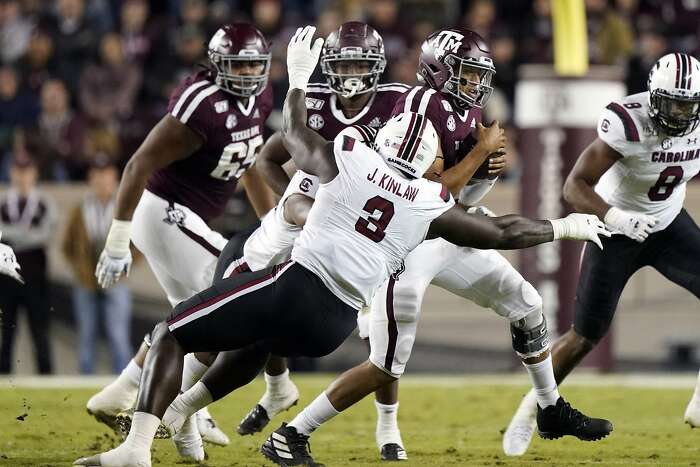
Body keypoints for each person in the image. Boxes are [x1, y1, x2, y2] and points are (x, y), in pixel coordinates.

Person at [74, 25, 612, 467]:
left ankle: (142, 446)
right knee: (266, 346)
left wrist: (297, 84)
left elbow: (302, 142)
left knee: (178, 329)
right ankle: (197, 412)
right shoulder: (427, 196)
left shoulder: (355, 151)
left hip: (302, 278)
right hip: (334, 321)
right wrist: (565, 227)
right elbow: (495, 229)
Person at [84, 22, 276, 455]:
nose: (247, 76)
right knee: (236, 296)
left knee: (189, 322)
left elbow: (251, 164)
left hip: (185, 220)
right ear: (218, 64)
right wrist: (118, 237)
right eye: (238, 68)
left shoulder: (261, 99)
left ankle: (125, 397)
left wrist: (273, 224)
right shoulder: (200, 104)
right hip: (165, 213)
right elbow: (137, 164)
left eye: (254, 68)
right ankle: (184, 412)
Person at [502, 52, 700, 456]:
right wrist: (616, 217)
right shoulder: (628, 122)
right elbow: (573, 187)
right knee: (584, 336)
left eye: (688, 105)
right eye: (672, 103)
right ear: (652, 95)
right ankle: (530, 408)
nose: (680, 114)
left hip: (667, 223)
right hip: (617, 230)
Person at [235, 21, 415, 461]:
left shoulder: (398, 103)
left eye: (360, 61)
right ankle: (275, 386)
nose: (352, 70)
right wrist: (295, 203)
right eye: (345, 61)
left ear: (376, 66)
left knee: (385, 332)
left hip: (375, 231)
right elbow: (267, 160)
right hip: (313, 222)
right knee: (264, 291)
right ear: (328, 67)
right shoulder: (312, 102)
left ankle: (388, 428)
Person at [62, 158, 135, 374]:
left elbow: (138, 245)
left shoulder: (124, 207)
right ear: (90, 178)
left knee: (118, 334)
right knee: (86, 334)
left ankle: (123, 382)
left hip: (116, 280)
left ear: (115, 179)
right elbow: (67, 245)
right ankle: (85, 378)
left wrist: (123, 267)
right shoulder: (81, 209)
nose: (102, 181)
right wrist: (80, 269)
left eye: (106, 175)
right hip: (86, 281)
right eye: (97, 175)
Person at [0, 155, 55, 374]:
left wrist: (14, 238)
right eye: (18, 171)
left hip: (36, 279)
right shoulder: (4, 202)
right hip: (6, 280)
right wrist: (27, 235)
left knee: (40, 332)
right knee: (7, 333)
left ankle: (47, 378)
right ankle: (3, 380)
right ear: (12, 173)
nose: (22, 177)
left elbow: (47, 234)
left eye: (27, 171)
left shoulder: (43, 202)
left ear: (35, 173)